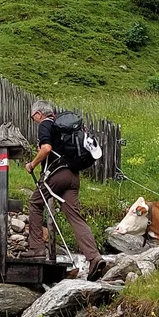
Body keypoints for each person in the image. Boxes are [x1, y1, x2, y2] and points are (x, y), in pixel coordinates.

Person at [23, 100, 103, 277]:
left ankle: (36, 249)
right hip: (73, 176)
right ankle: (94, 257)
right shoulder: (65, 127)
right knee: (75, 217)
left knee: (35, 203)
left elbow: (46, 148)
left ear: (38, 114)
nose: (34, 120)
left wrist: (32, 164)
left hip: (57, 174)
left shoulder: (45, 124)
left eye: (32, 117)